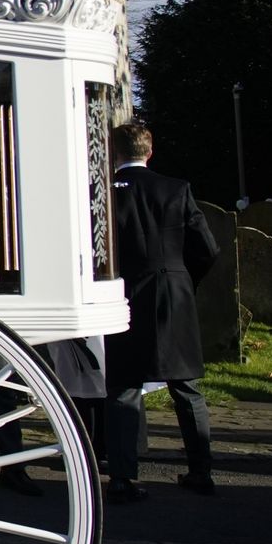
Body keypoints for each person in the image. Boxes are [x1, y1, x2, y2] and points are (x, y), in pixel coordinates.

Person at [103, 122, 220, 501]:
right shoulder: (176, 189)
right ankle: (201, 470)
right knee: (186, 386)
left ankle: (121, 477)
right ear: (149, 151)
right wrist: (185, 279)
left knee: (123, 386)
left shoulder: (103, 193)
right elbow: (207, 247)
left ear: (114, 152)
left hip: (124, 293)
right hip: (173, 291)